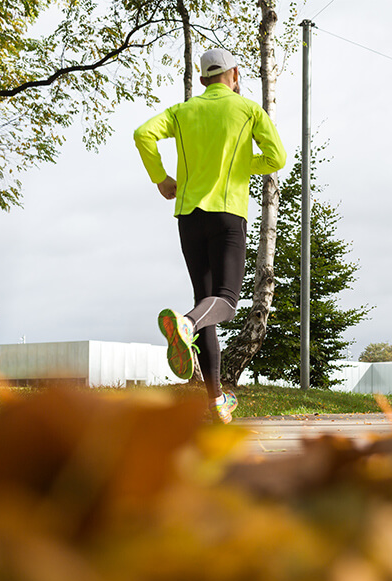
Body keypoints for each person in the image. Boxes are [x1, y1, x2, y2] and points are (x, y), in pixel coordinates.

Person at [134, 48, 286, 423]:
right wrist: (239, 164)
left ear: (203, 80)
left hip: (188, 216)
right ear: (235, 74)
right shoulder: (248, 109)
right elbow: (276, 157)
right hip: (227, 214)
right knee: (226, 302)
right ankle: (184, 323)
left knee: (207, 306)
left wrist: (161, 178)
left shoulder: (183, 112)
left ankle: (217, 401)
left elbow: (142, 134)